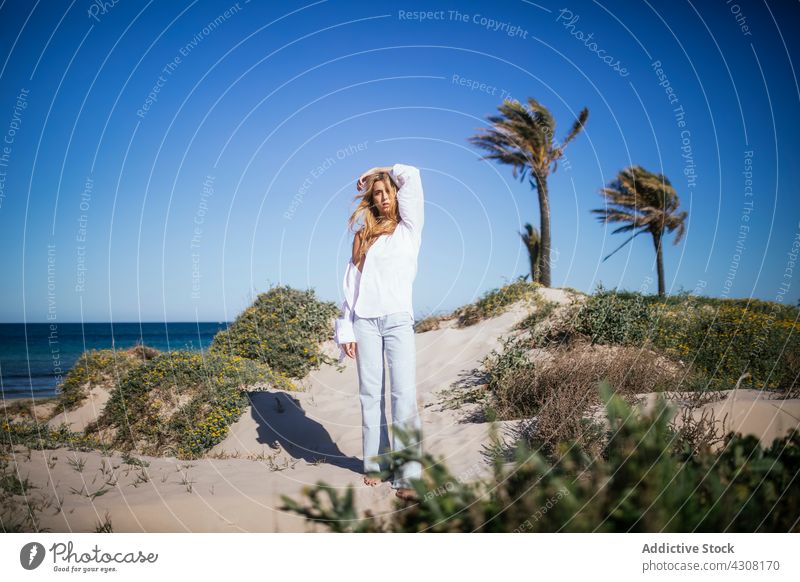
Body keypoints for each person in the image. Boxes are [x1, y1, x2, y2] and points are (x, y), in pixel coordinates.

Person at [334, 163, 424, 501]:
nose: (383, 197)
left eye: (387, 191)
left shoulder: (410, 229)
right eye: (377, 193)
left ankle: (408, 475)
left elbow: (412, 174)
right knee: (370, 396)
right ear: (371, 200)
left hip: (399, 320)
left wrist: (379, 170)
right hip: (365, 322)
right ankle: (376, 464)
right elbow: (351, 286)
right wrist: (347, 329)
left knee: (403, 396)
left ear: (397, 195)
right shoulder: (363, 236)